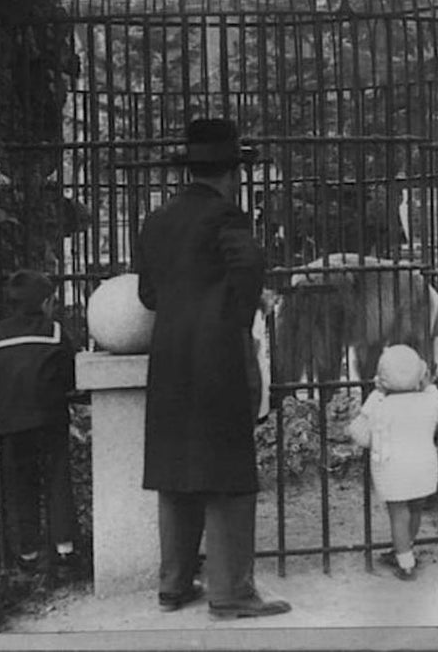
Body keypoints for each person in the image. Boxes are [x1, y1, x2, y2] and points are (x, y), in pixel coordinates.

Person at [134, 118, 290, 619]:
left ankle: (174, 585)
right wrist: (236, 318)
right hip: (218, 353)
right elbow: (248, 270)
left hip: (169, 358)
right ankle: (231, 593)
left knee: (175, 467)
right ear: (233, 173)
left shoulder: (156, 221)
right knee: (227, 470)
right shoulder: (228, 217)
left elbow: (147, 294)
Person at [0, 269, 80, 575]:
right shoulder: (55, 333)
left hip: (10, 424)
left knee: (20, 487)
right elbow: (70, 376)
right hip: (50, 420)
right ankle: (65, 550)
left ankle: (29, 553)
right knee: (58, 481)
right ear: (45, 302)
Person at [347, 345, 438, 580]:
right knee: (415, 509)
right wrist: (430, 388)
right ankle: (407, 548)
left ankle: (405, 562)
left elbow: (360, 434)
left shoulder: (380, 401)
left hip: (392, 469)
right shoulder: (428, 400)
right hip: (424, 466)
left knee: (398, 513)